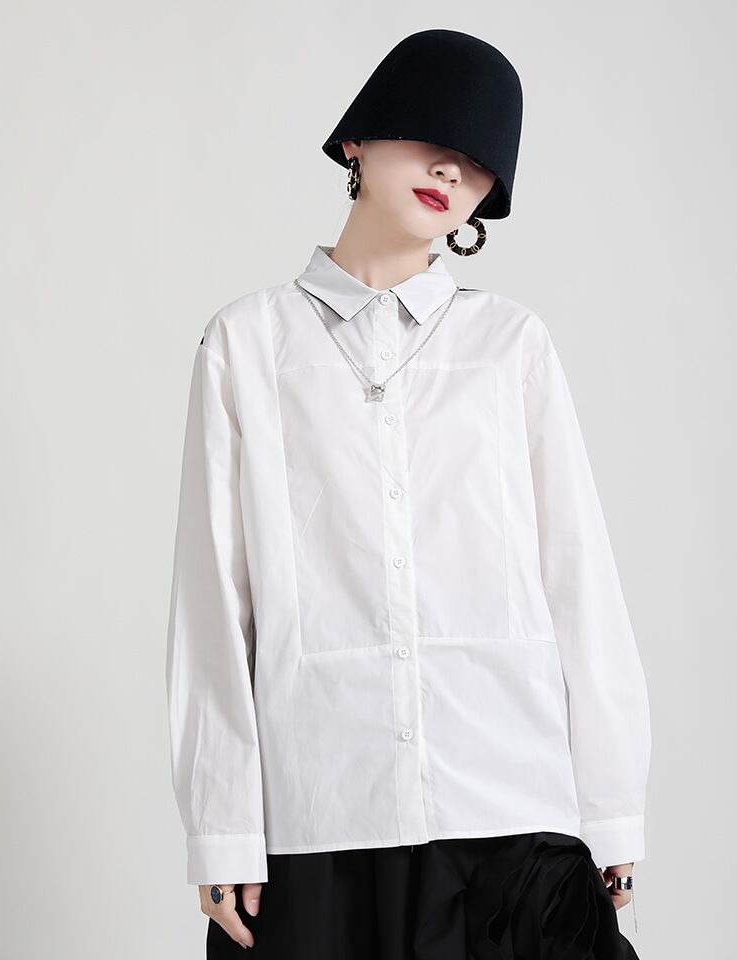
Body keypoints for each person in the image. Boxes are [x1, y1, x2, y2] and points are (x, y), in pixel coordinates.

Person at [165, 29, 651, 960]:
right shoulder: (247, 345)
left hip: (511, 807)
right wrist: (222, 822)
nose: (453, 169)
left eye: (479, 159)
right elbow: (214, 600)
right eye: (433, 134)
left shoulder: (510, 346)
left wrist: (612, 804)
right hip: (321, 813)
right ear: (357, 138)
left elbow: (577, 576)